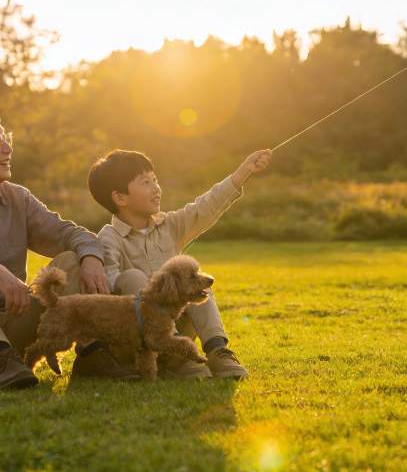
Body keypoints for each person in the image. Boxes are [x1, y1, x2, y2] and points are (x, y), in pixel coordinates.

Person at [0, 102, 140, 389]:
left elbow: (69, 233)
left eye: (6, 138)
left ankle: (91, 353)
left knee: (72, 260)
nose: (7, 148)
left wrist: (91, 257)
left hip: (10, 320)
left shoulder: (19, 198)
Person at [87, 148, 272, 379]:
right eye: (146, 183)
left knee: (197, 281)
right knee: (131, 277)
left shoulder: (170, 225)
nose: (156, 188)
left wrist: (243, 172)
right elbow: (110, 284)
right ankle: (170, 356)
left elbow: (206, 206)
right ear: (120, 198)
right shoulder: (108, 238)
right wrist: (150, 293)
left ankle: (217, 350)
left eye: (155, 180)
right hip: (137, 331)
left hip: (176, 325)